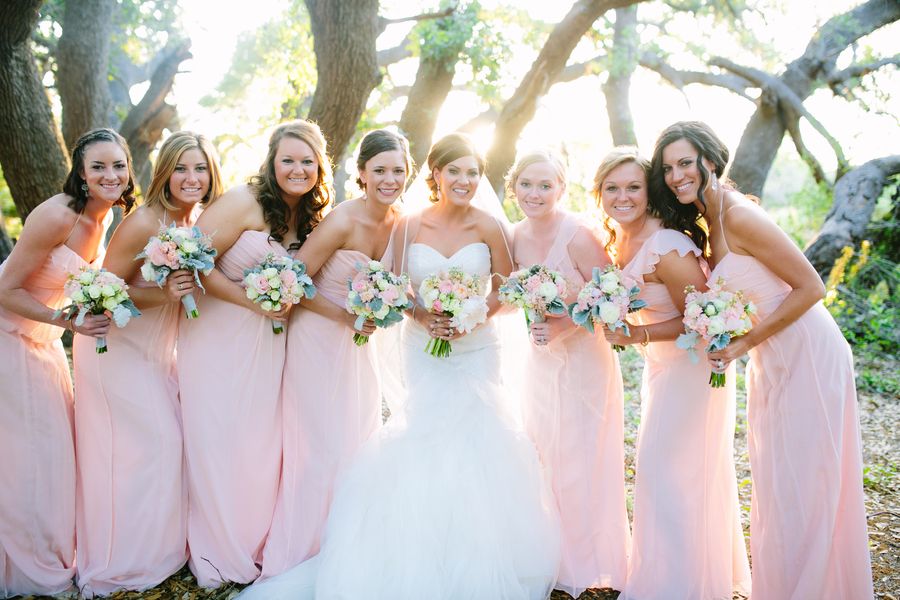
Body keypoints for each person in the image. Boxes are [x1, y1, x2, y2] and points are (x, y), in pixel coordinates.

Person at [238, 132, 560, 600]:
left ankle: (483, 553)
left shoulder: (491, 225)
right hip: (423, 348)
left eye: (473, 172)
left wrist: (473, 316)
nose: (465, 180)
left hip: (477, 350)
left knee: (482, 439)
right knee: (426, 437)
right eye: (455, 171)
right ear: (436, 175)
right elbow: (390, 287)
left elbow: (506, 291)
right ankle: (417, 551)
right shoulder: (407, 226)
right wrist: (422, 314)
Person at [651, 120, 873, 599]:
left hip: (808, 353)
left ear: (711, 161)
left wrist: (745, 343)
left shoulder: (740, 216)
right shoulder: (708, 223)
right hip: (770, 361)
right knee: (778, 482)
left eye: (685, 163)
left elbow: (813, 286)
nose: (675, 176)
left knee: (807, 482)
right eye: (668, 168)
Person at [177, 120, 333, 587]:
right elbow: (191, 261)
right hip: (219, 337)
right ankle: (221, 551)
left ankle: (254, 539)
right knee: (220, 437)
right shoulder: (244, 202)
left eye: (308, 161)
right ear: (271, 161)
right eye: (288, 159)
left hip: (270, 346)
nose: (297, 168)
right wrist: (253, 301)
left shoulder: (310, 217)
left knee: (257, 443)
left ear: (320, 167)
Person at [72, 131, 224, 596]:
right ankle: (122, 560)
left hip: (158, 352)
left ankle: (158, 553)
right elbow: (103, 292)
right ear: (164, 172)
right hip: (117, 349)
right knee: (150, 446)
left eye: (200, 168)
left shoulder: (197, 223)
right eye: (181, 168)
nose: (191, 178)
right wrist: (164, 293)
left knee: (164, 448)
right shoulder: (143, 222)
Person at [595, 146, 750, 599]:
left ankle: (677, 587)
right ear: (599, 193)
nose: (622, 197)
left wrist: (636, 336)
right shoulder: (619, 240)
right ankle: (683, 578)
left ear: (650, 192)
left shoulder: (665, 244)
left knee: (671, 477)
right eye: (611, 188)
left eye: (632, 188)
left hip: (693, 370)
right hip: (663, 370)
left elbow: (701, 317)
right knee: (671, 475)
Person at [260, 129, 407, 578]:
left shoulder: (402, 222)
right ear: (361, 174)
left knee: (356, 438)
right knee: (319, 444)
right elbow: (294, 282)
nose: (389, 179)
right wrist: (346, 315)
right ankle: (304, 547)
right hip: (317, 340)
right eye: (379, 170)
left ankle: (345, 539)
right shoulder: (342, 219)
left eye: (398, 170)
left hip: (359, 345)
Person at [0, 128, 135, 598]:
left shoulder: (110, 218)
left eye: (118, 165)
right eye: (98, 166)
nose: (109, 175)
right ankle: (32, 568)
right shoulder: (57, 215)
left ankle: (49, 553)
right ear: (80, 172)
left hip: (44, 341)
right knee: (32, 458)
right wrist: (68, 322)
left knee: (56, 456)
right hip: (9, 338)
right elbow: (6, 288)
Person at [508, 148, 629, 596]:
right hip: (540, 362)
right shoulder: (514, 236)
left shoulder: (579, 235)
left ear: (562, 188)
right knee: (543, 453)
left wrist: (561, 323)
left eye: (545, 185)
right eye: (527, 184)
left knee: (581, 456)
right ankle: (550, 555)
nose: (535, 193)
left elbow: (608, 299)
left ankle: (588, 563)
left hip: (583, 360)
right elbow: (508, 294)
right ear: (513, 187)